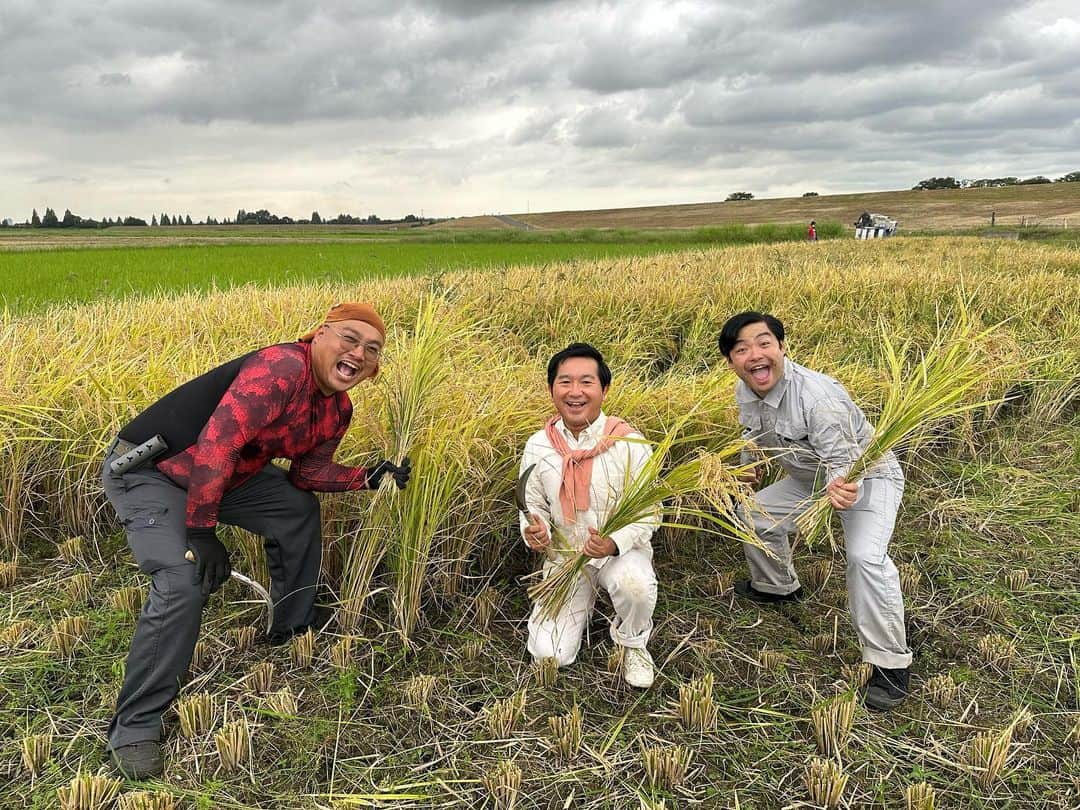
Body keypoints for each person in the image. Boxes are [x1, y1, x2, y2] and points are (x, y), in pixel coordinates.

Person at [102, 302, 410, 778]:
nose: (359, 353)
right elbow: (217, 444)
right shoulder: (283, 366)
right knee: (182, 576)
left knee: (295, 510)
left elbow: (309, 474)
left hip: (227, 478)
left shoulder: (337, 410)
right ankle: (136, 726)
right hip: (153, 473)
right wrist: (201, 532)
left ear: (373, 369)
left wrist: (369, 477)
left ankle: (291, 627)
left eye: (372, 349)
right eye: (349, 338)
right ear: (319, 335)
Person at [718, 312, 911, 710]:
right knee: (752, 512)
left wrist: (839, 489)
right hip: (809, 479)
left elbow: (843, 463)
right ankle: (776, 588)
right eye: (741, 349)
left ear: (782, 347)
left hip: (866, 476)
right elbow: (750, 434)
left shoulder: (817, 396)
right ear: (731, 361)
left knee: (864, 558)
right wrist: (746, 466)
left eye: (764, 343)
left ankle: (891, 664)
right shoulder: (745, 390)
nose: (755, 355)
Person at [518, 343, 658, 688]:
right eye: (565, 382)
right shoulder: (539, 445)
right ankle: (585, 603)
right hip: (566, 558)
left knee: (634, 587)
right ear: (552, 389)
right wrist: (534, 531)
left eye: (586, 382)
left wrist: (613, 542)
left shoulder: (631, 444)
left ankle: (632, 641)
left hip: (619, 554)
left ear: (604, 390)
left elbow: (650, 511)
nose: (575, 392)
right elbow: (531, 503)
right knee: (549, 655)